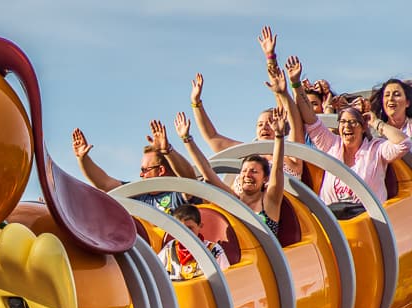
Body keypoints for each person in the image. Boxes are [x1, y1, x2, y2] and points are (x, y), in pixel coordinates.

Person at [287, 56, 412, 205]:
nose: (347, 126)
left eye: (353, 122)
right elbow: (310, 118)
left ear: (363, 126)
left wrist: (375, 122)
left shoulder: (376, 148)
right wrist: (295, 84)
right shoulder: (332, 144)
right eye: (343, 122)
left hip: (367, 220)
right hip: (336, 221)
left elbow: (404, 142)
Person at [189, 26, 303, 176]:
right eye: (260, 124)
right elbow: (212, 137)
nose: (264, 127)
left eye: (269, 122)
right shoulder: (249, 153)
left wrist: (272, 61)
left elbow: (292, 116)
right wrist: (196, 103)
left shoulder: (291, 152)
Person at [174, 107, 287, 237]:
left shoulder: (270, 201)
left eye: (254, 171)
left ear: (265, 178)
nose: (247, 175)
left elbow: (278, 169)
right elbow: (206, 171)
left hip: (265, 255)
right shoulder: (234, 200)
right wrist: (187, 139)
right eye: (244, 171)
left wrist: (279, 136)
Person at [72, 120, 197, 213]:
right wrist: (83, 159)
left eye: (144, 170)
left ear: (161, 170)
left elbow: (190, 181)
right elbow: (104, 184)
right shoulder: (138, 193)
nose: (141, 175)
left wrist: (167, 150)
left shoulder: (177, 193)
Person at [158, 204, 230, 280]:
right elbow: (155, 270)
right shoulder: (169, 248)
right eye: (180, 228)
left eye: (190, 228)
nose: (185, 232)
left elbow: (226, 278)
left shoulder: (214, 250)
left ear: (200, 226)